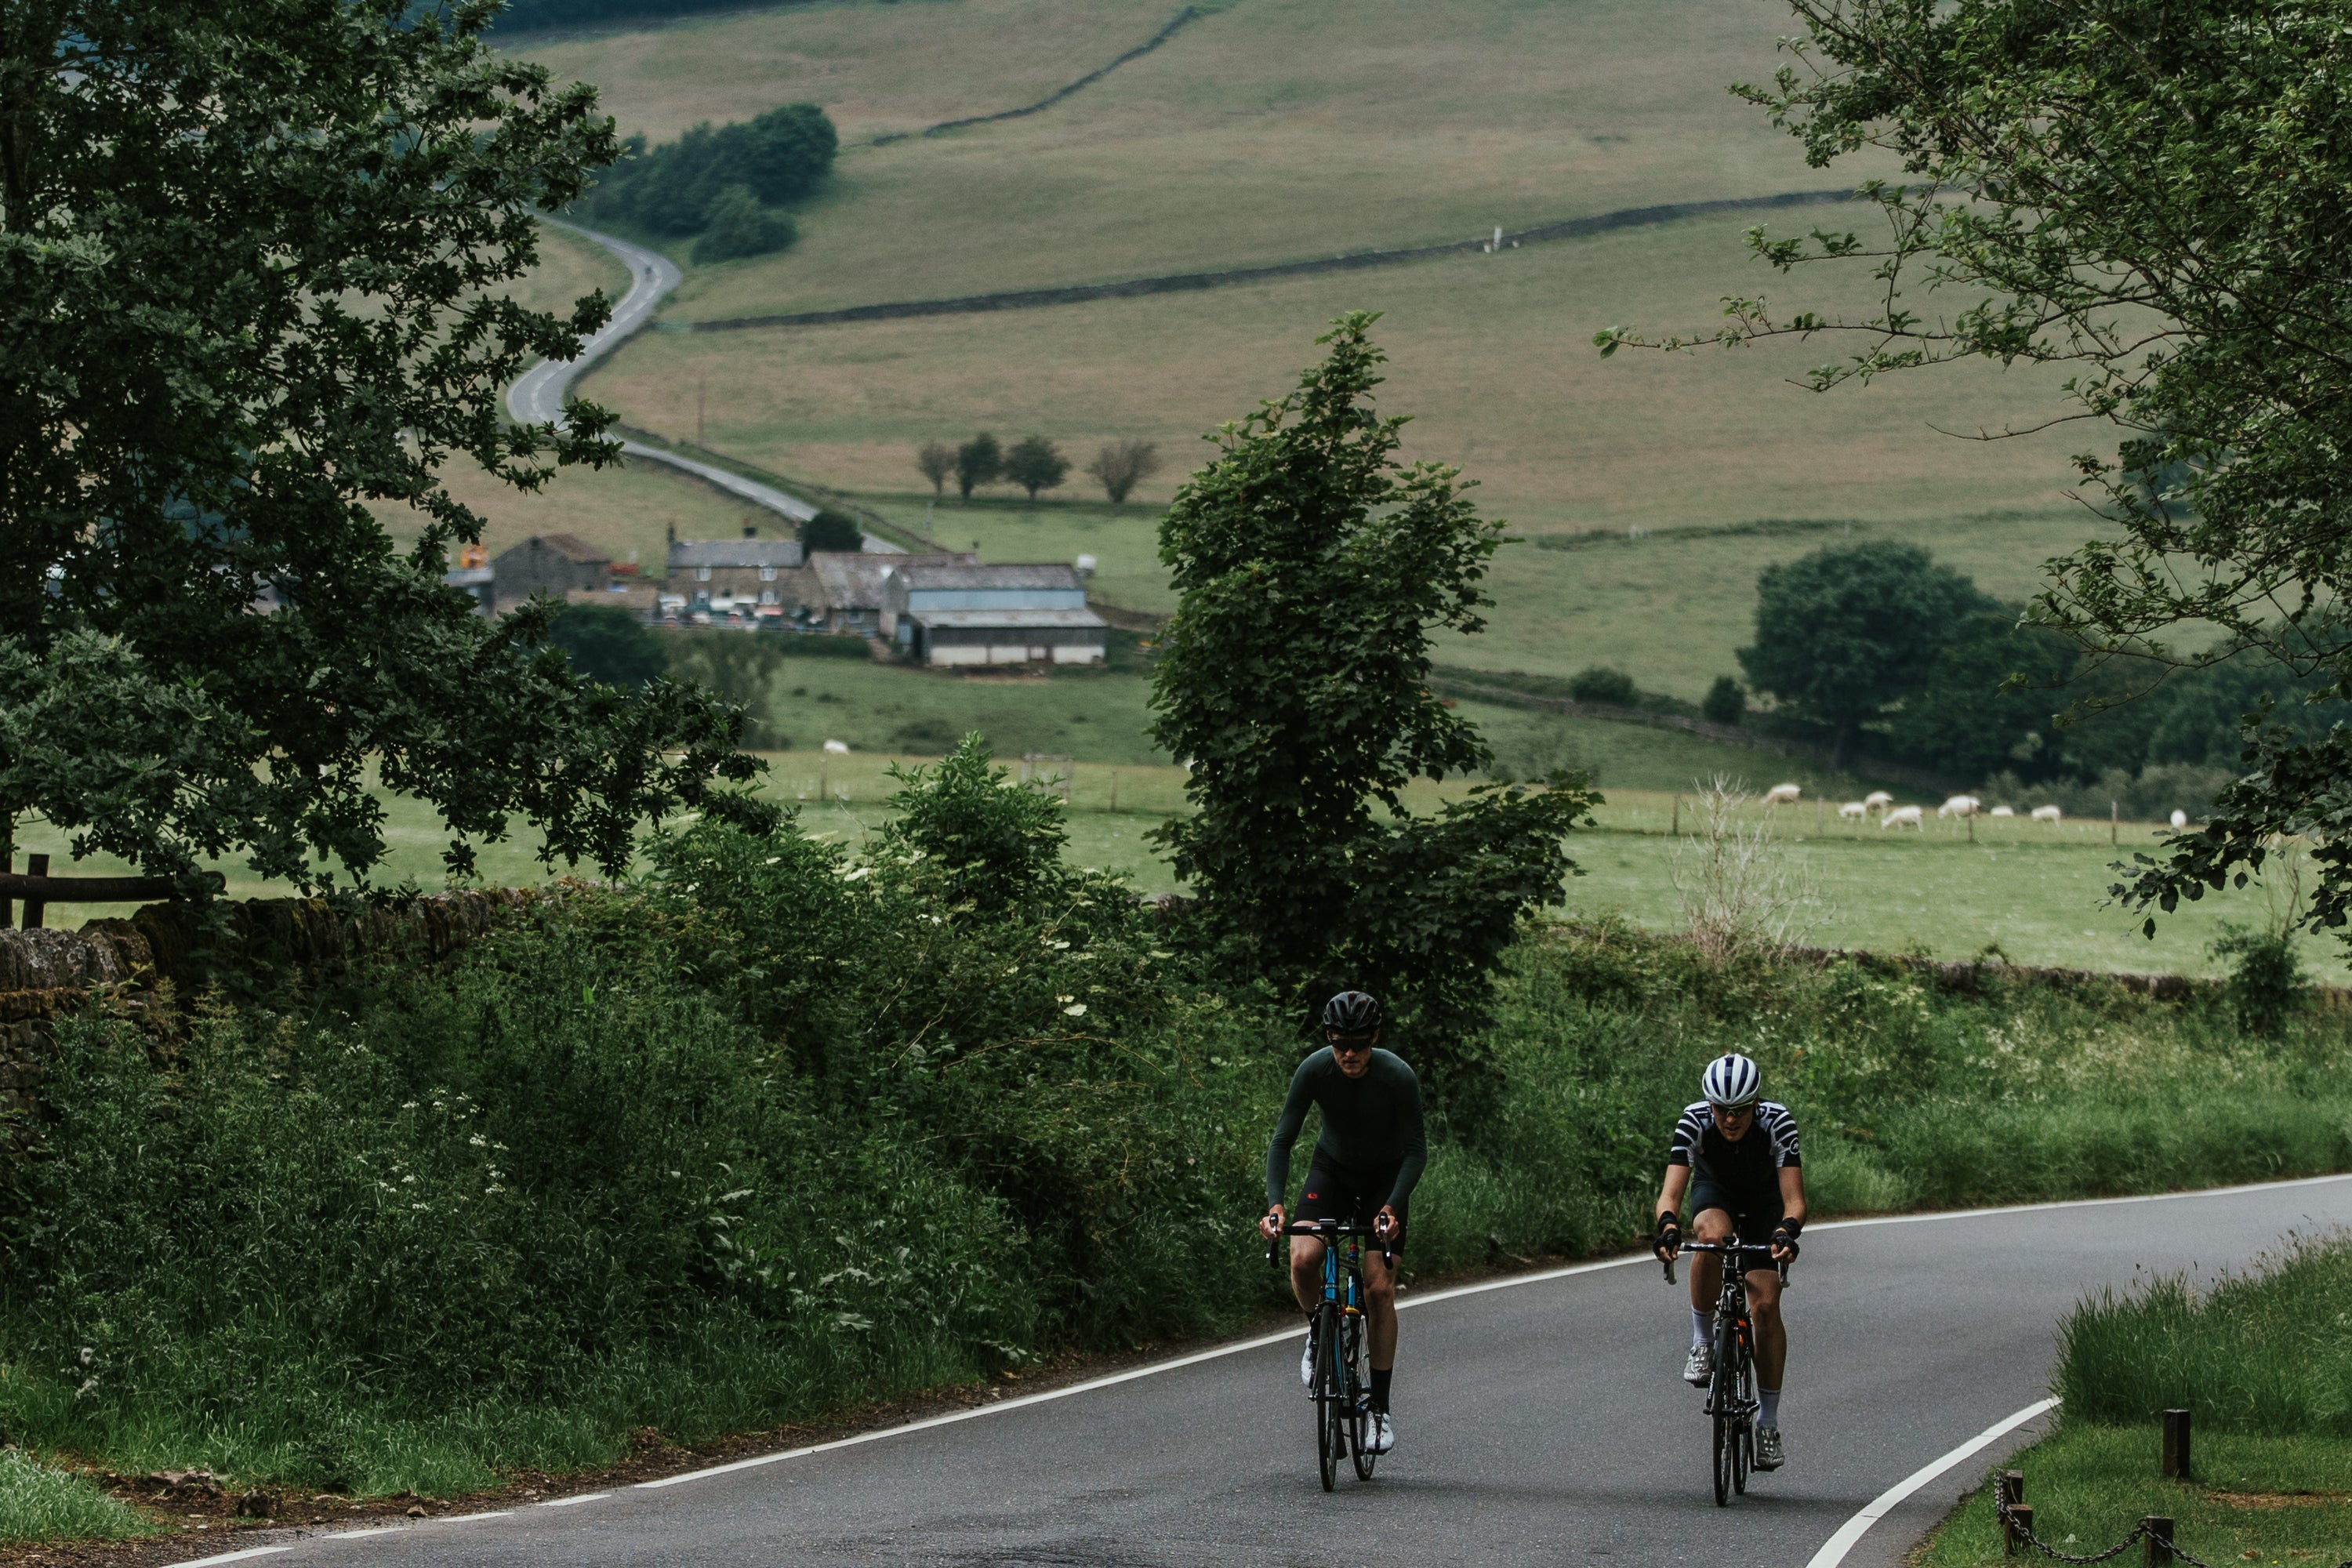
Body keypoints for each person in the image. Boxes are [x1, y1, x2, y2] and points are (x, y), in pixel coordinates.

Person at [1259, 990, 1426, 1457]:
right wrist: (1276, 1206)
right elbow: (1282, 1141)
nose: (1348, 1053)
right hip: (1331, 1168)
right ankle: (1319, 1332)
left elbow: (1416, 1151)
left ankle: (1380, 1411)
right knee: (1304, 1256)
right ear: (1329, 1038)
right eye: (1339, 1042)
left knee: (1378, 1288)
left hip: (1385, 1179)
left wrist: (1393, 1205)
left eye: (1357, 1042)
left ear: (1374, 1037)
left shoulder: (1397, 1075)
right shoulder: (1315, 1069)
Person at [1650, 1051, 1806, 1472]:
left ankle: (1768, 1423)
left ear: (1756, 1104)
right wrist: (1667, 1227)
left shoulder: (1778, 1122)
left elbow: (1794, 1201)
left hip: (1763, 1204)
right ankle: (1702, 1341)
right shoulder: (1694, 1120)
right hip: (1714, 1192)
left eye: (1739, 1111)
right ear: (1710, 1104)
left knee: (1766, 1306)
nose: (1730, 1120)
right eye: (1722, 1109)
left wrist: (1785, 1232)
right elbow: (1671, 1194)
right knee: (1711, 1239)